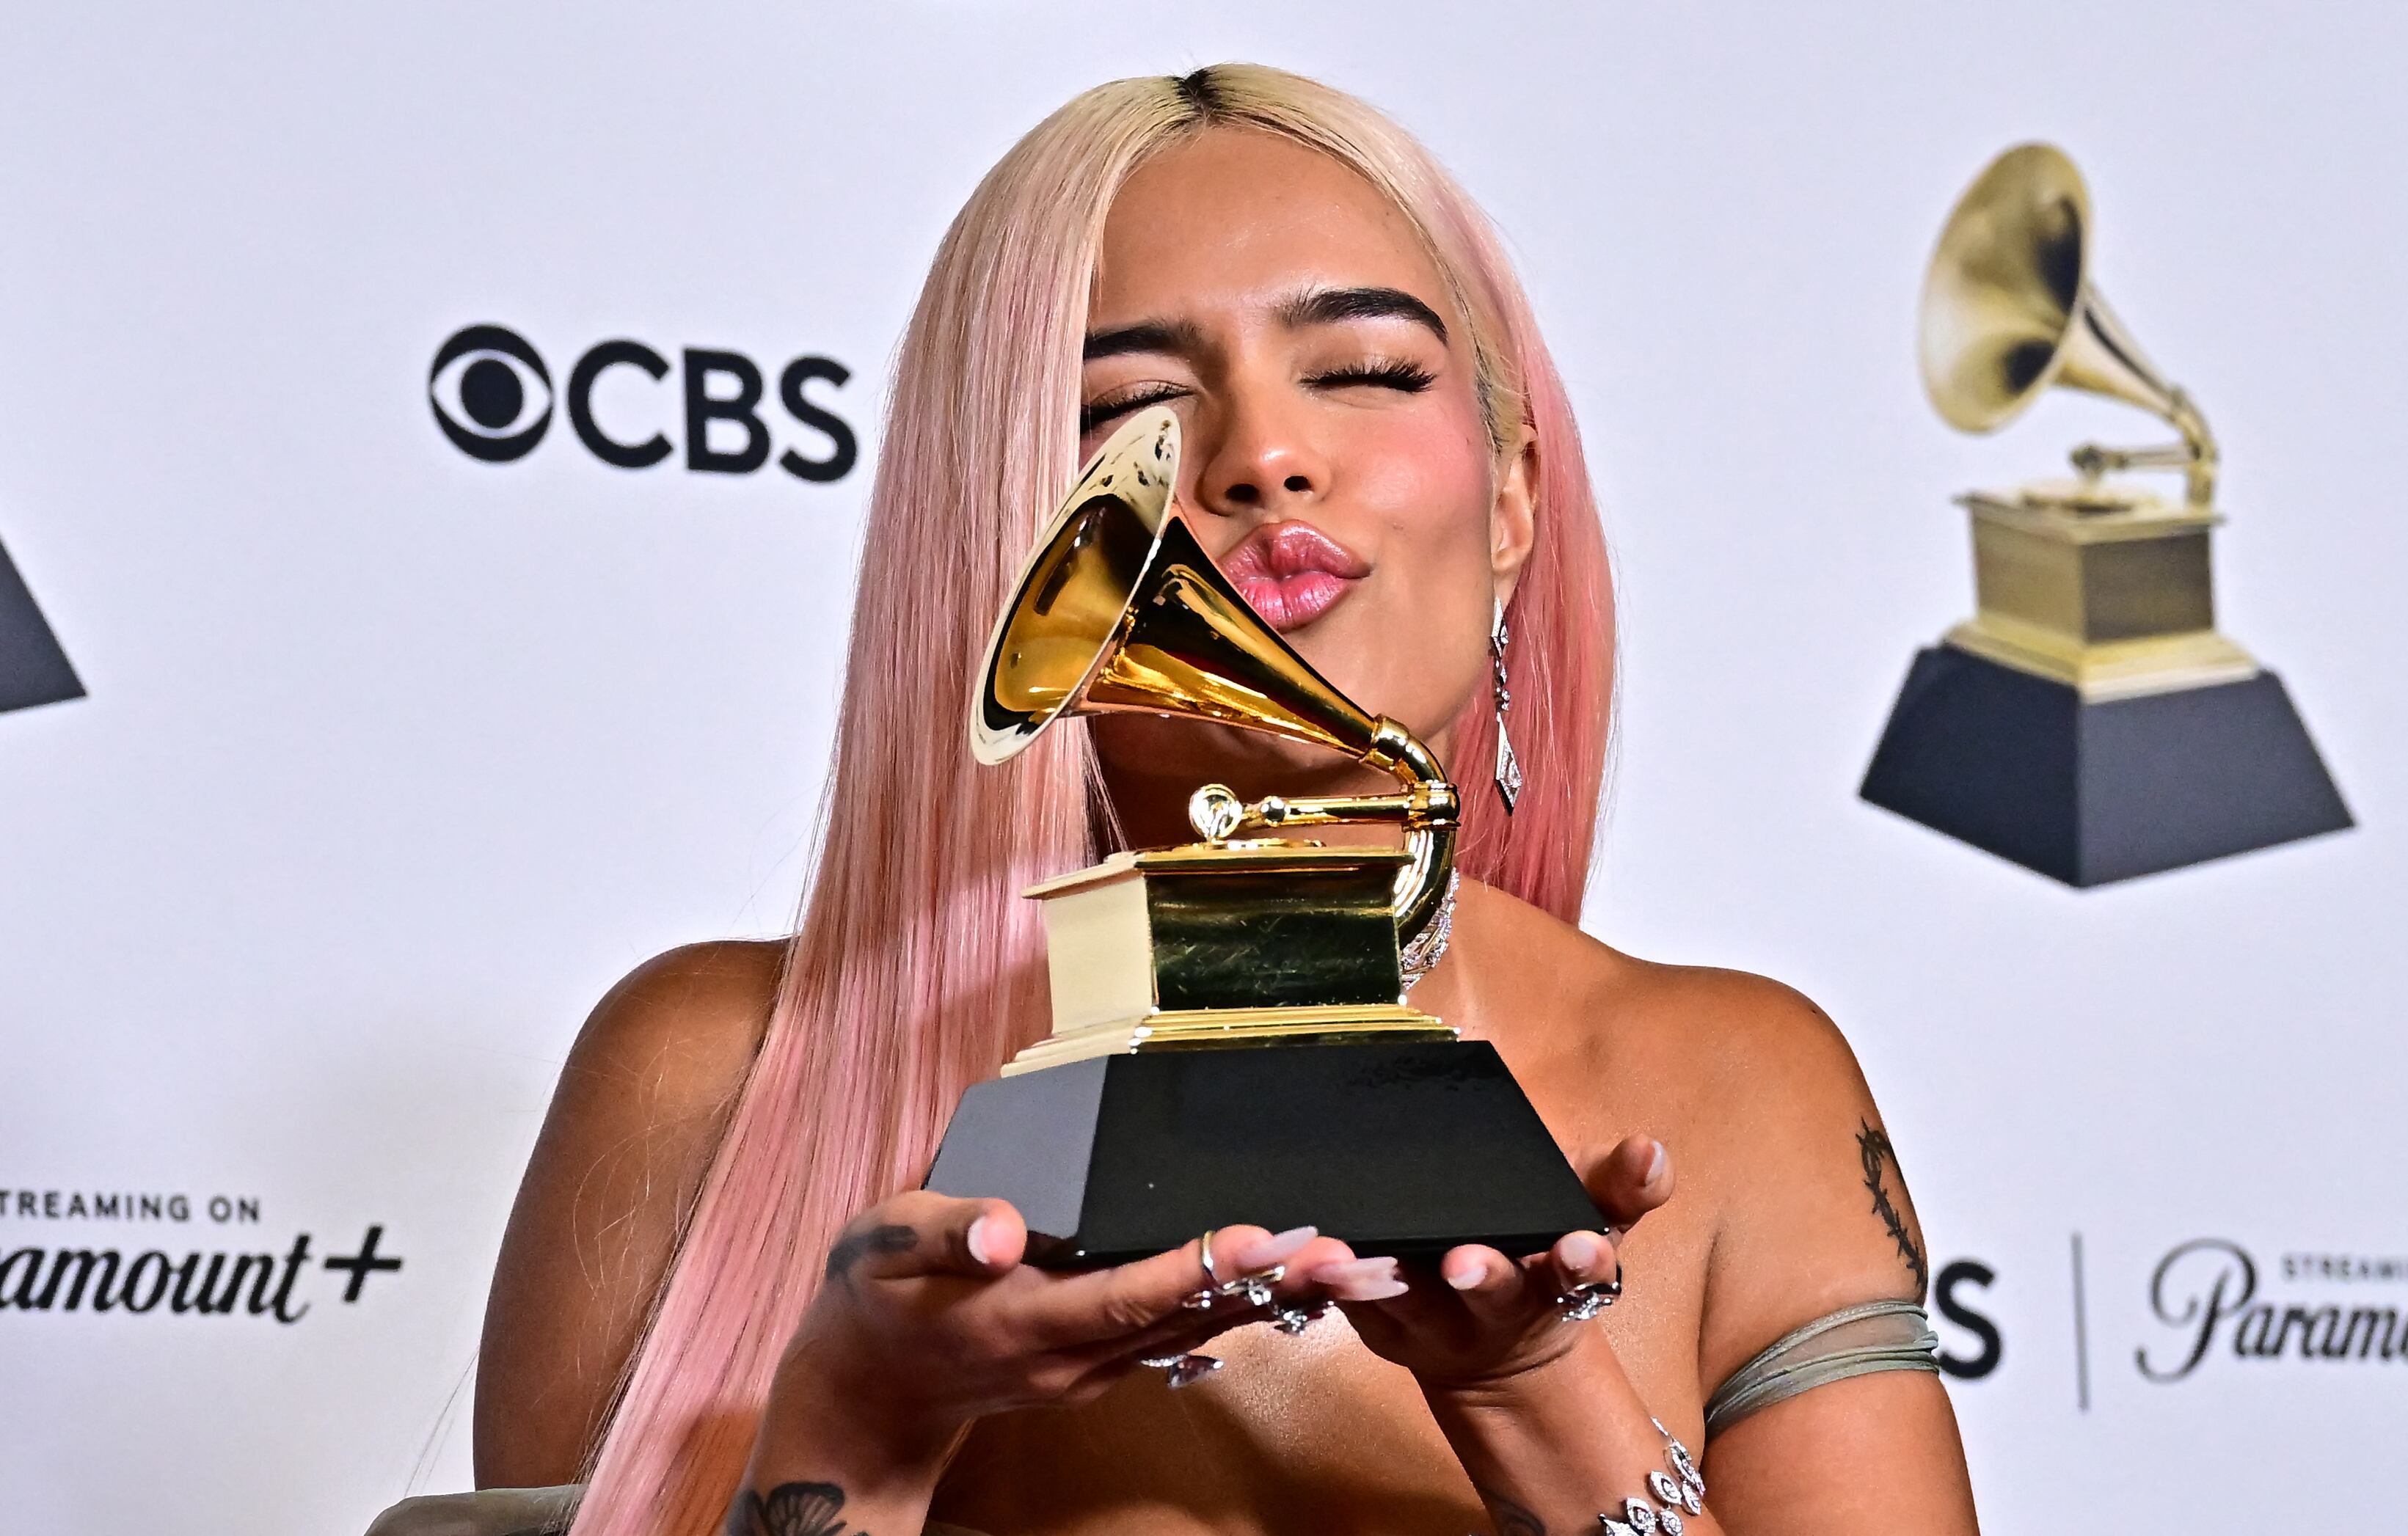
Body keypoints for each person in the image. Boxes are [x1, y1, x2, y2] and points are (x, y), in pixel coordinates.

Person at [457, 63, 1977, 1536]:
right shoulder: (713, 1070)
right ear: (993, 528)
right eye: (1129, 404)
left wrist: (1537, 1390)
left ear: (1514, 499)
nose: (1264, 457)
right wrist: (854, 1430)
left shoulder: (1739, 1084)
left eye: (1368, 372)